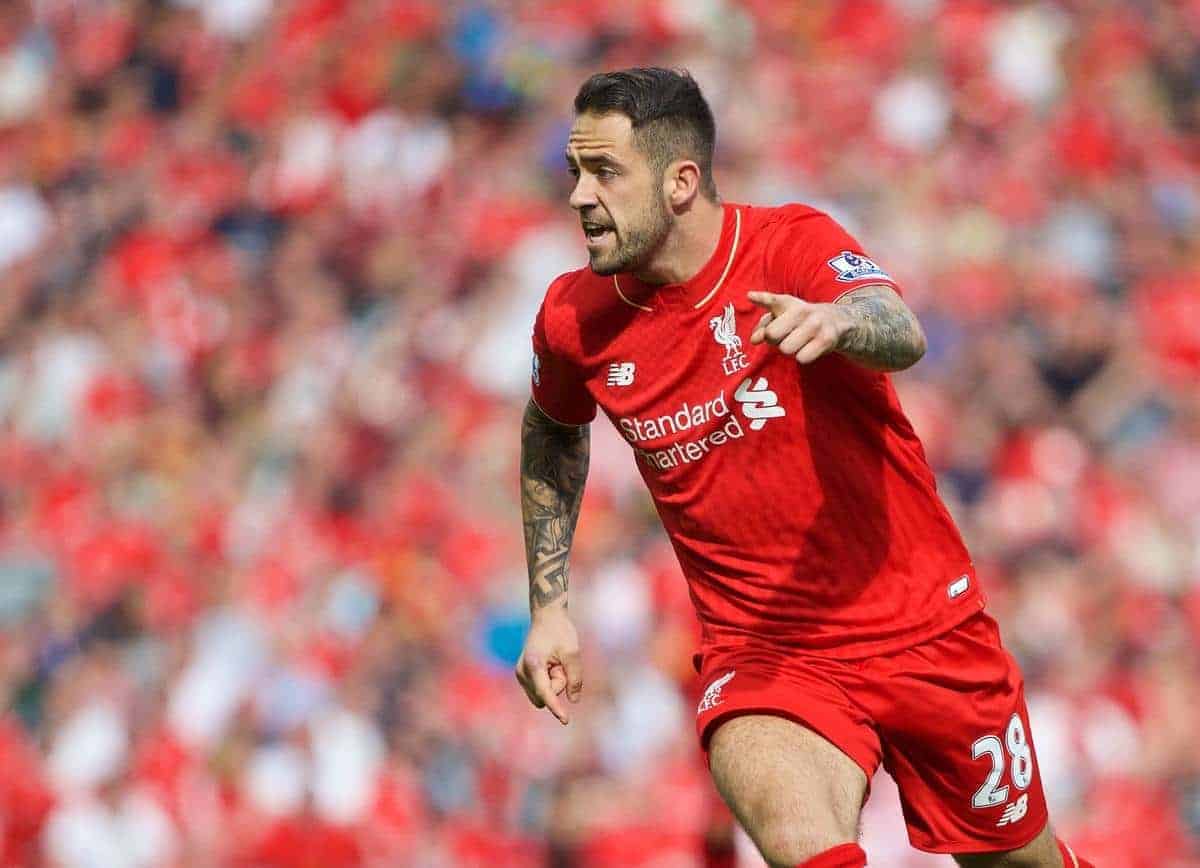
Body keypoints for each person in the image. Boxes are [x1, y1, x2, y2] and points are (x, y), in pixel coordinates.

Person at [515, 67, 1094, 868]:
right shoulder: (575, 319)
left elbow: (899, 326)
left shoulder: (790, 244)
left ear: (681, 182)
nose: (580, 194)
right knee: (800, 843)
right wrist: (549, 605)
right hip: (767, 656)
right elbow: (552, 428)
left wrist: (840, 321)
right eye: (575, 171)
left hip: (924, 627)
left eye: (605, 172)